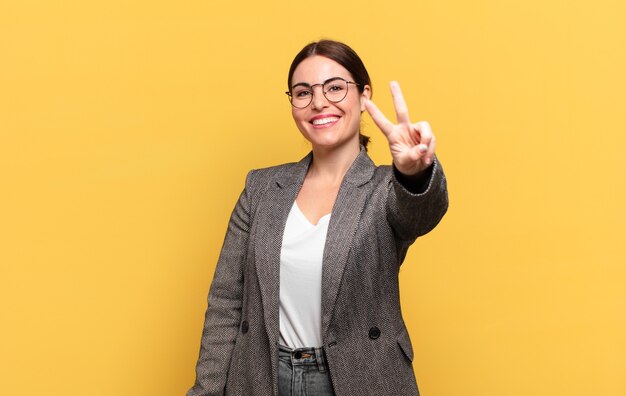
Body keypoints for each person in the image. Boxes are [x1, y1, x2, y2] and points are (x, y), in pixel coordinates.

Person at [187, 39, 448, 396]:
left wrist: (416, 173)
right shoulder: (261, 188)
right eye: (303, 92)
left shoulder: (386, 188)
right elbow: (226, 304)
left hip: (360, 378)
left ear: (364, 95)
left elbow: (419, 213)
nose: (319, 102)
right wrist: (206, 391)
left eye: (335, 88)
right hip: (264, 378)